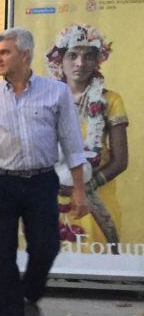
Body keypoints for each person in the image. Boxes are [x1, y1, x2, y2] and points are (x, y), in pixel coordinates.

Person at [0, 27, 88, 316]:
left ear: (25, 55)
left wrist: (78, 189)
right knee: (2, 255)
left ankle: (29, 294)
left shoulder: (56, 93)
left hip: (41, 182)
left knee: (47, 246)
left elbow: (72, 143)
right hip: (1, 183)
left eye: (4, 52)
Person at [45, 23, 128, 252]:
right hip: (50, 194)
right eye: (72, 55)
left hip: (95, 195)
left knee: (100, 259)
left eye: (88, 56)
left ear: (97, 60)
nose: (80, 63)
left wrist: (83, 187)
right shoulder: (46, 99)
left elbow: (121, 161)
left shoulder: (111, 100)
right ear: (59, 60)